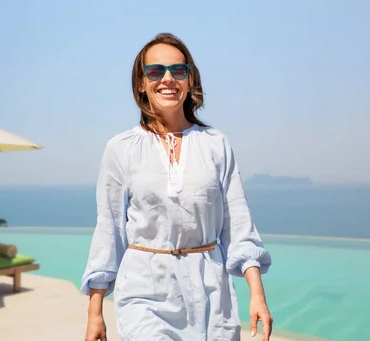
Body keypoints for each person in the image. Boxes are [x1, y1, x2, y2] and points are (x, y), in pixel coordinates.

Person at [80, 33, 273, 341]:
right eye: (155, 71)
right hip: (145, 291)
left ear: (189, 79)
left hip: (212, 294)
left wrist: (257, 294)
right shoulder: (121, 148)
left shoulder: (216, 144)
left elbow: (237, 222)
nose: (168, 79)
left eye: (178, 71)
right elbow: (109, 230)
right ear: (141, 83)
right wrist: (95, 313)